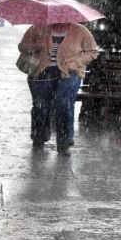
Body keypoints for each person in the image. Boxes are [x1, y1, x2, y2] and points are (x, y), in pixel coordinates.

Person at [18, 23, 98, 156]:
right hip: (41, 71)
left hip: (69, 73)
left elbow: (92, 51)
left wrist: (76, 62)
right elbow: (22, 46)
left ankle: (64, 142)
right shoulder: (38, 27)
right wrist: (36, 46)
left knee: (64, 104)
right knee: (40, 106)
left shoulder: (80, 31)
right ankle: (39, 136)